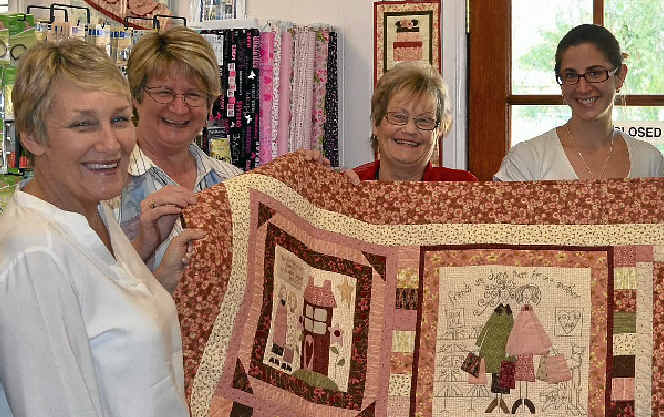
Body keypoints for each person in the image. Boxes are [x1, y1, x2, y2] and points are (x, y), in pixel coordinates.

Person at [0, 40, 194, 417]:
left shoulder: (95, 215)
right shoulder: (34, 257)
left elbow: (107, 326)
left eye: (120, 119)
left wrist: (157, 279)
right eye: (83, 124)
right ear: (33, 137)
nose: (111, 144)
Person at [110, 26, 326, 290]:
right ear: (136, 96)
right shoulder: (108, 187)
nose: (179, 108)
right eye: (164, 92)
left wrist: (316, 185)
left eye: (193, 95)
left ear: (210, 104)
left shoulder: (231, 182)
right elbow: (87, 303)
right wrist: (144, 249)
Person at [494, 24, 664, 180]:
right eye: (571, 75)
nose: (583, 88)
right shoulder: (526, 160)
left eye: (595, 73)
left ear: (620, 76)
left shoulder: (649, 161)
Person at [343, 61, 477, 182]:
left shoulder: (464, 189)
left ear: (438, 131)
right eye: (399, 117)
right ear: (375, 124)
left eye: (424, 120)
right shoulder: (349, 188)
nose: (410, 130)